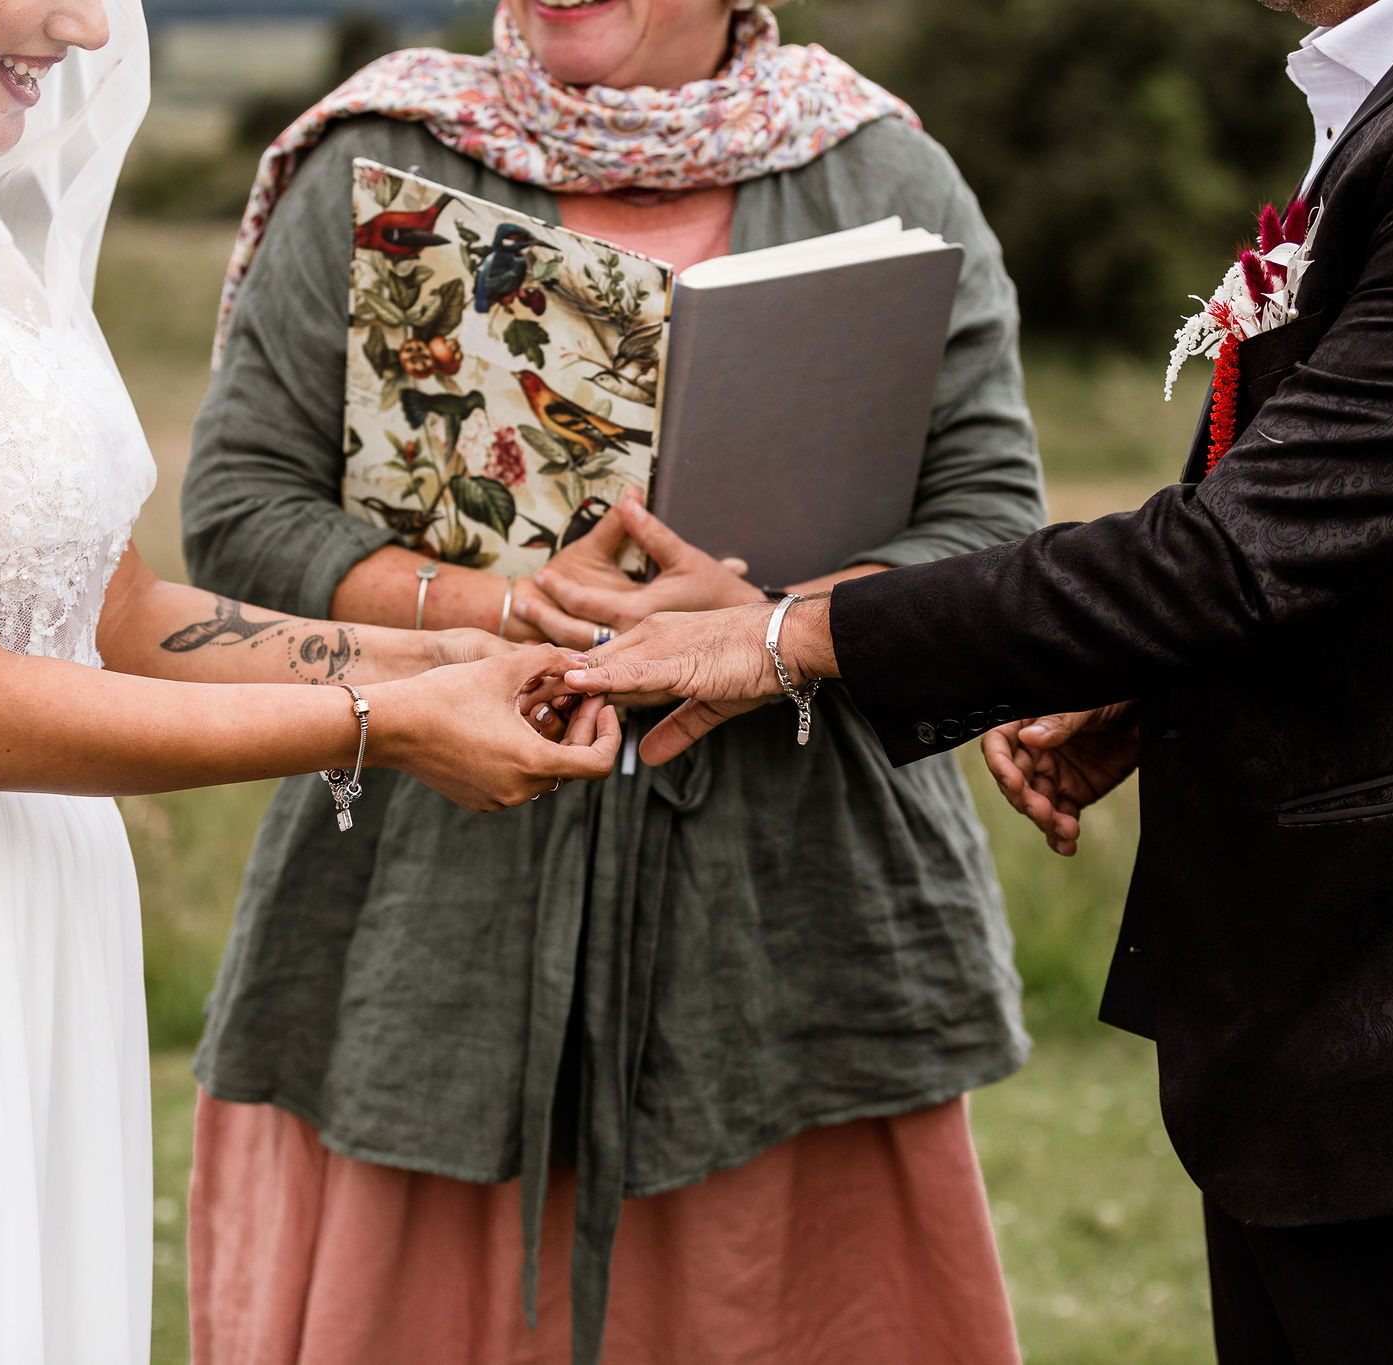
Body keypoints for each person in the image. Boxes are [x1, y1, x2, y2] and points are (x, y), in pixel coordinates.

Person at [568, 0, 1393, 1359]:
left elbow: (1236, 552)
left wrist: (783, 636)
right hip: (1349, 991)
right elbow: (1383, 526)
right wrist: (1162, 694)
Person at [0, 1, 619, 1360]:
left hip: (21, 920)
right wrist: (381, 725)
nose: (88, 26)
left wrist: (459, 650)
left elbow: (115, 616)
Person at [179, 2, 1046, 1362]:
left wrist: (775, 626)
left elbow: (993, 522)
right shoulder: (384, 151)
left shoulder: (883, 172)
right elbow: (235, 507)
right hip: (431, 898)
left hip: (793, 913)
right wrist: (502, 606)